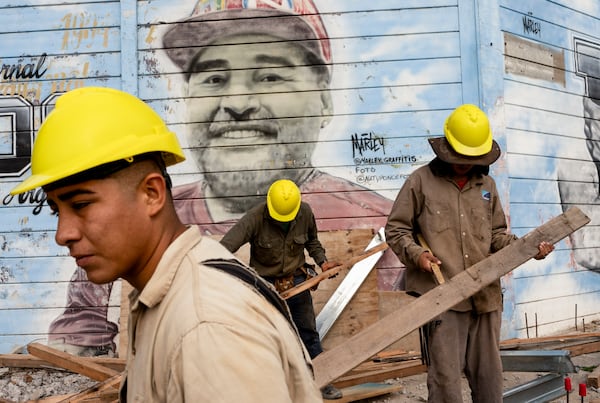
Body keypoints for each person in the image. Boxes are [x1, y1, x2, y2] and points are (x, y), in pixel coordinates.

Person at [10, 86, 322, 402]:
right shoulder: (170, 294)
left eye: (80, 204)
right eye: (56, 210)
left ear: (152, 194)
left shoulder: (207, 328)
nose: (62, 234)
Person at [163, 0, 393, 234]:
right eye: (214, 79)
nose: (238, 103)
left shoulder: (383, 232)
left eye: (270, 77)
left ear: (324, 100)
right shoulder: (148, 225)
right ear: (187, 97)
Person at [384, 104, 555, 403]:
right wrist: (418, 256)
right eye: (459, 157)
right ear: (446, 146)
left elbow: (497, 236)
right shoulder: (419, 182)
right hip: (442, 297)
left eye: (471, 158)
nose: (465, 163)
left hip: (485, 296)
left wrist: (530, 250)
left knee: (490, 379)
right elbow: (396, 230)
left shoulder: (486, 185)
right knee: (446, 382)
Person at [220, 179, 343, 400]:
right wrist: (230, 276)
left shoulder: (304, 212)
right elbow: (225, 247)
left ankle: (322, 381)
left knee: (308, 333)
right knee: (263, 337)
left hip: (297, 281)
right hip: (265, 287)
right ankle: (264, 389)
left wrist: (323, 262)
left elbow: (312, 241)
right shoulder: (255, 217)